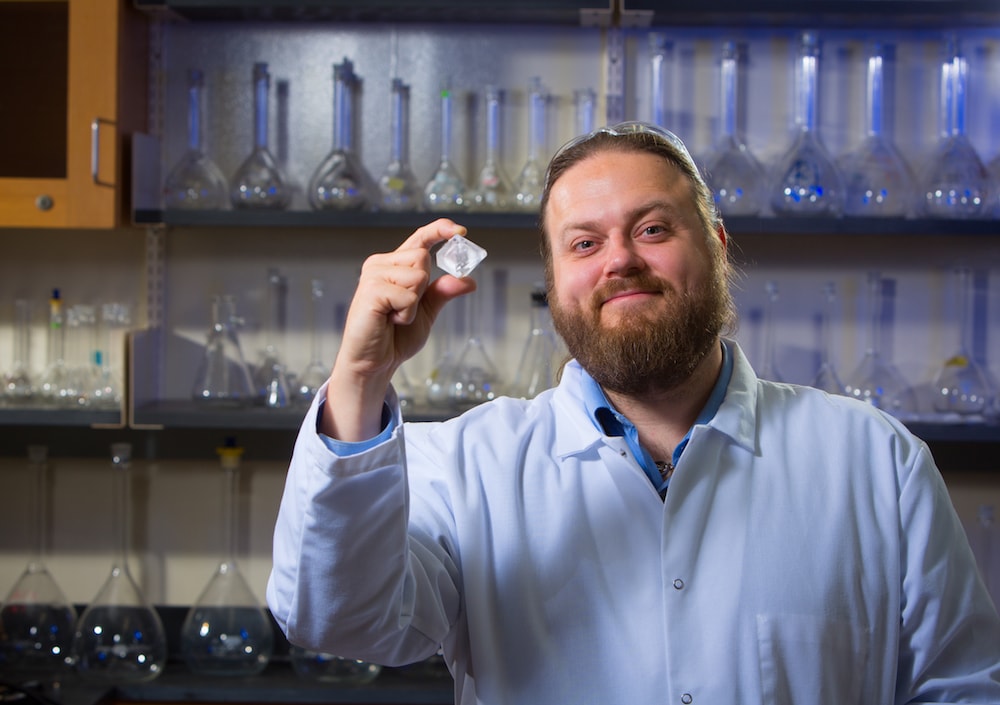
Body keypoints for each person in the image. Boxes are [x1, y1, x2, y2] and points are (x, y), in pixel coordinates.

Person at [266, 121, 1000, 704]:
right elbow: (339, 617)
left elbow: (963, 686)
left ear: (715, 248)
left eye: (652, 229)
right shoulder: (465, 467)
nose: (619, 260)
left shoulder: (875, 461)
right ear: (556, 286)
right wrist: (360, 378)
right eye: (584, 243)